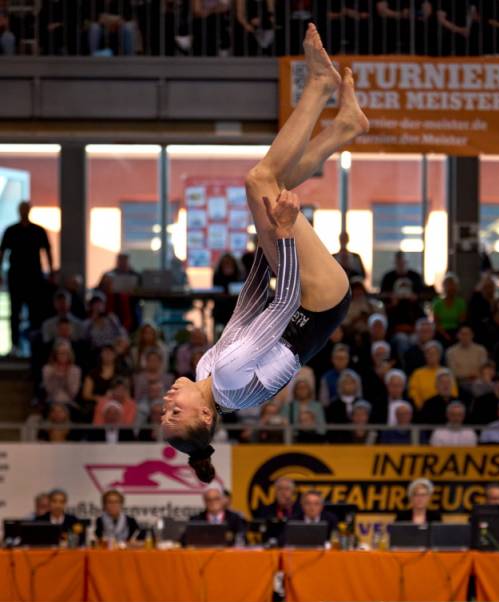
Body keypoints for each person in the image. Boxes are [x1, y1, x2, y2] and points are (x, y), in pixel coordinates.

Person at [162, 24, 369, 482]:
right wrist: (283, 235)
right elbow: (284, 301)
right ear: (205, 417)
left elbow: (251, 303)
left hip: (303, 299)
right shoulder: (230, 377)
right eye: (175, 412)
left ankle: (344, 128)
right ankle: (318, 87)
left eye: (164, 411)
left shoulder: (207, 370)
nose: (167, 401)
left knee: (273, 186)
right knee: (260, 180)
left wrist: (265, 239)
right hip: (319, 301)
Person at [0, 201, 54, 354]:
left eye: (26, 209)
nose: (24, 212)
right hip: (16, 277)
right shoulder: (11, 230)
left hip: (34, 277)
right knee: (15, 312)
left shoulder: (38, 231)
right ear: (19, 211)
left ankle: (33, 345)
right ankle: (15, 345)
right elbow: (2, 253)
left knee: (35, 312)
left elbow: (48, 252)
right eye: (22, 209)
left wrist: (51, 272)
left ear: (30, 211)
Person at [408, 340, 458, 410]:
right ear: (425, 355)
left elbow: (453, 392)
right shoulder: (417, 373)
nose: (431, 356)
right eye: (428, 353)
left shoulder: (447, 373)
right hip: (425, 409)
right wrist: (423, 408)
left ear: (439, 355)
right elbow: (413, 393)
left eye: (434, 353)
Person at [445, 325, 488, 390]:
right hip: (459, 384)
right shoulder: (451, 352)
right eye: (462, 334)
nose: (465, 336)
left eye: (467, 334)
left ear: (472, 335)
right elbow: (453, 372)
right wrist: (469, 375)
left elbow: (484, 370)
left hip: (478, 383)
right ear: (458, 336)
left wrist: (466, 373)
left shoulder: (481, 350)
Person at [432, 273, 467, 344]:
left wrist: (457, 334)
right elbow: (436, 323)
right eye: (448, 284)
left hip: (456, 332)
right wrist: (445, 335)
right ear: (443, 286)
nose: (450, 287)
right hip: (441, 332)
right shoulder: (437, 303)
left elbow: (462, 322)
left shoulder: (461, 303)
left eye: (452, 284)